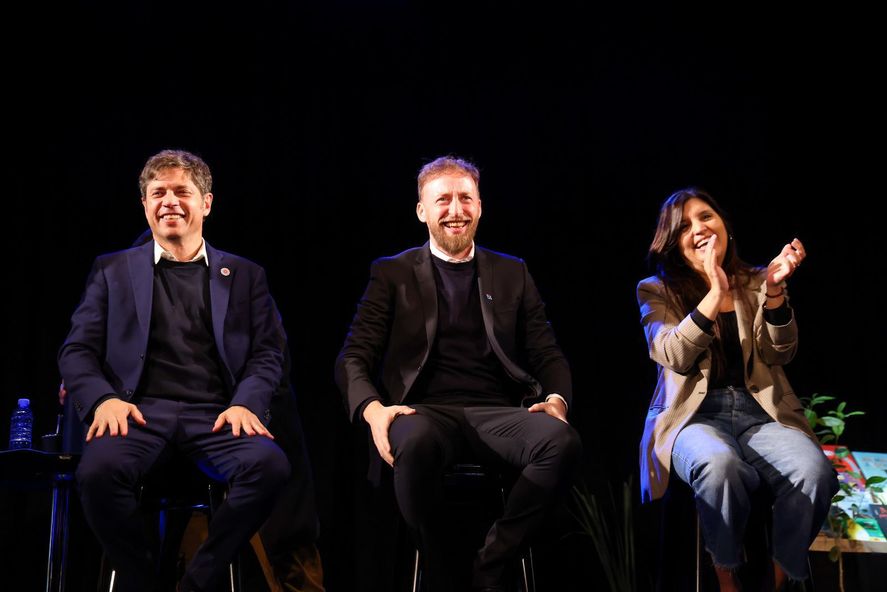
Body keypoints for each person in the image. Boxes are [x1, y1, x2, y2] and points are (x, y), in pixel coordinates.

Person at [335, 155, 582, 592]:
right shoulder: (391, 272)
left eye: (465, 198)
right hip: (423, 413)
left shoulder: (512, 271)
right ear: (422, 211)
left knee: (561, 441)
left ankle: (490, 563)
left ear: (480, 206)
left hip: (497, 414)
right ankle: (444, 570)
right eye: (442, 200)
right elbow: (353, 357)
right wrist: (373, 411)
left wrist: (556, 400)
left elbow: (548, 354)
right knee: (414, 442)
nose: (455, 210)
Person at [59, 149, 290, 592]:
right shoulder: (112, 270)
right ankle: (145, 581)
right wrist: (104, 399)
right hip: (138, 415)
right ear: (144, 205)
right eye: (157, 192)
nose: (169, 201)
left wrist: (246, 402)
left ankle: (196, 583)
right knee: (96, 474)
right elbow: (77, 350)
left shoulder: (244, 275)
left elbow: (268, 354)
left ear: (205, 203)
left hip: (216, 417)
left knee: (269, 466)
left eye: (181, 191)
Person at [637, 187, 838, 591]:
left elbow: (780, 352)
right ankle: (727, 581)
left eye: (707, 217)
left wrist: (776, 291)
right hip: (693, 419)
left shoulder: (756, 281)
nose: (700, 229)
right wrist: (714, 289)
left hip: (759, 416)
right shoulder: (656, 291)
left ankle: (779, 579)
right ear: (673, 243)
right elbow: (673, 353)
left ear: (724, 225)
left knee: (815, 472)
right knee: (720, 466)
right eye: (685, 226)